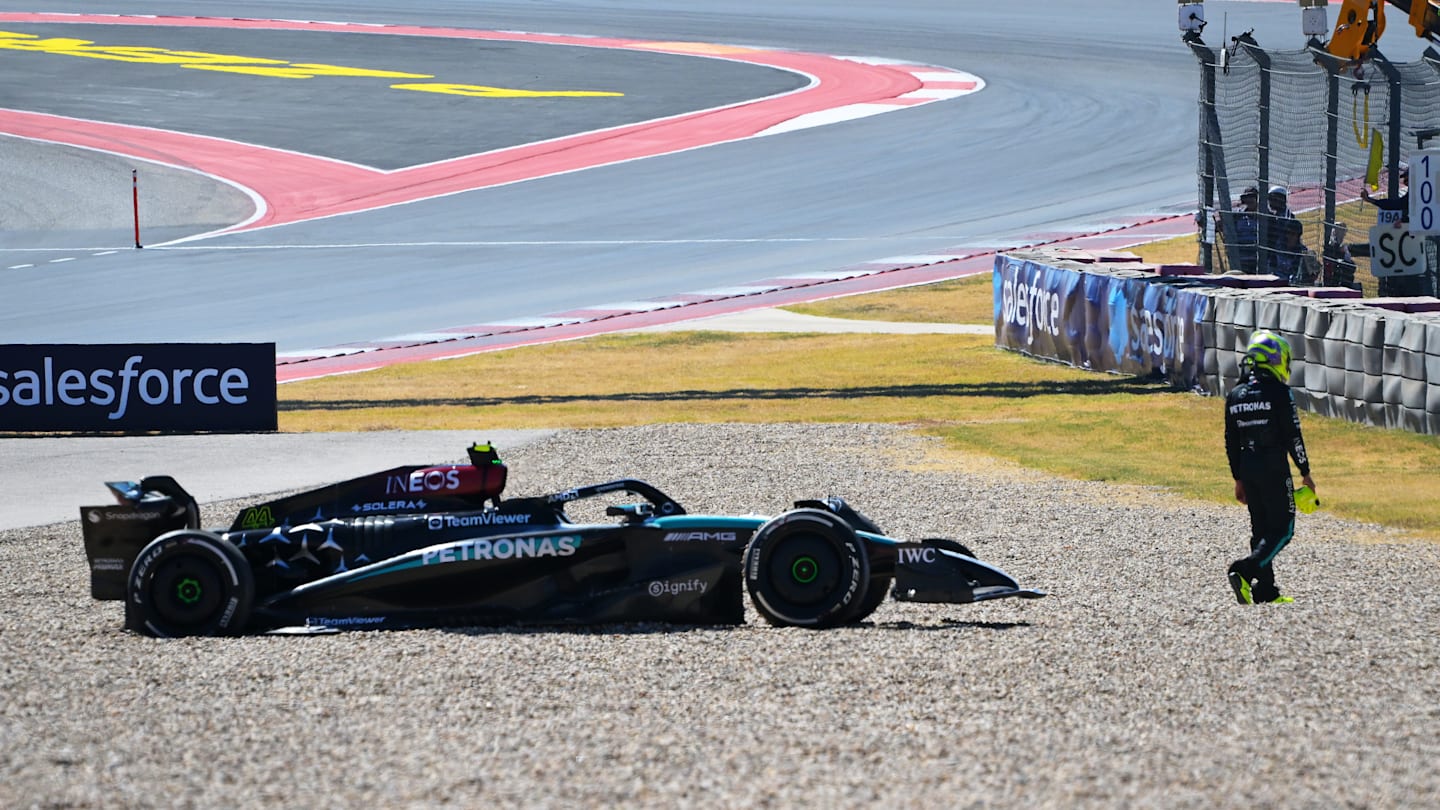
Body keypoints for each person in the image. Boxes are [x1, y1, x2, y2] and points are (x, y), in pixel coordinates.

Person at [1225, 330, 1316, 605]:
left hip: (1248, 466)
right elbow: (1293, 434)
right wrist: (1306, 472)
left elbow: (1231, 441)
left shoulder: (1236, 394)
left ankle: (1265, 592)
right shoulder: (1279, 392)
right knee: (1283, 529)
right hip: (1273, 466)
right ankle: (1243, 569)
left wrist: (1238, 478)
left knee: (1261, 529)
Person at [1270, 219, 1321, 285]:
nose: (1289, 237)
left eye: (1293, 234)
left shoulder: (1304, 252)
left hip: (1295, 285)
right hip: (1277, 283)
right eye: (1287, 233)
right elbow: (1270, 268)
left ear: (1298, 236)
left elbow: (1314, 273)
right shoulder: (1277, 249)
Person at [1321, 222, 1359, 289]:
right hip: (1333, 278)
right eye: (1341, 230)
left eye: (1343, 231)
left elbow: (1351, 266)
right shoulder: (1331, 246)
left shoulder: (1343, 247)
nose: (1343, 234)